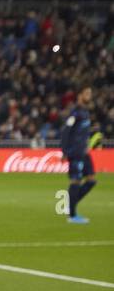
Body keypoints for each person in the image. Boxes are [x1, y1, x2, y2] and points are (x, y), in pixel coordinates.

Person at [61, 85, 98, 224]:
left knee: (92, 180)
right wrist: (64, 151)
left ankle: (70, 205)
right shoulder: (75, 112)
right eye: (87, 93)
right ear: (80, 95)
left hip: (84, 152)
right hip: (75, 152)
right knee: (75, 181)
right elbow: (66, 131)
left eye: (90, 93)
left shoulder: (85, 112)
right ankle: (72, 215)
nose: (89, 95)